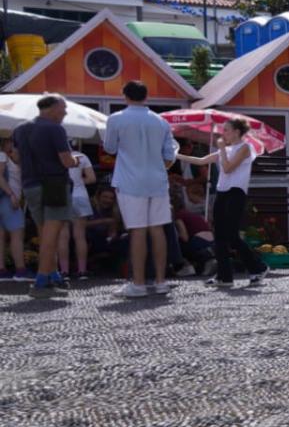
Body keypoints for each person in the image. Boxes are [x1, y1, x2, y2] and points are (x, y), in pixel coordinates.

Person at [102, 80, 179, 297]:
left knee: (137, 230)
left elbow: (109, 147)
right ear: (146, 96)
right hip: (157, 180)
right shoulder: (161, 121)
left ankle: (138, 283)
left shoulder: (116, 118)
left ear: (124, 95)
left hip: (130, 181)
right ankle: (161, 281)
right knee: (157, 229)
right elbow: (169, 155)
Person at [177, 116, 266, 288]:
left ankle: (258, 267)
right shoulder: (225, 149)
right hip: (222, 193)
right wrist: (176, 155)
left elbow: (227, 168)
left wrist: (222, 150)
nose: (222, 133)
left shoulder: (245, 148)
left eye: (226, 130)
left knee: (232, 235)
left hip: (236, 193)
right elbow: (201, 161)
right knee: (219, 236)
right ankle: (224, 276)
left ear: (237, 132)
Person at [14, 94, 79, 297]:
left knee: (44, 233)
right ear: (50, 109)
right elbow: (66, 161)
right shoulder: (55, 129)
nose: (65, 112)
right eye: (63, 108)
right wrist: (76, 161)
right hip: (54, 185)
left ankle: (53, 274)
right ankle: (41, 281)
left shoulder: (20, 129)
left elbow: (16, 158)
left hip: (30, 185)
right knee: (52, 234)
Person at [57, 140, 97, 280]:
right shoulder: (82, 156)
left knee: (63, 236)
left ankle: (64, 271)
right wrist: (79, 182)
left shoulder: (56, 157)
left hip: (61, 196)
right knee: (79, 236)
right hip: (80, 196)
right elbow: (92, 178)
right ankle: (82, 271)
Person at [0, 135, 30, 282]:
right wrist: (11, 194)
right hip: (8, 199)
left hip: (5, 198)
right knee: (17, 234)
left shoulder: (9, 157)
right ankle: (20, 270)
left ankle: (2, 270)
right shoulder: (2, 156)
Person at [171, 186, 216, 275]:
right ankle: (206, 262)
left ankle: (185, 266)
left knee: (177, 244)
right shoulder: (190, 214)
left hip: (199, 241)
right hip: (211, 240)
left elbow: (185, 237)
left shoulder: (179, 216)